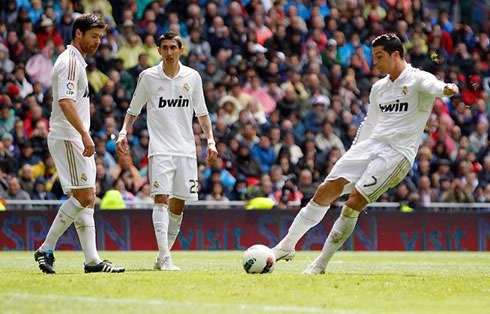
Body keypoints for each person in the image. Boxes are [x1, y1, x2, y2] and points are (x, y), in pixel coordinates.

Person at [272, 34, 459, 274]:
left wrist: (447, 89)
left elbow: (434, 86)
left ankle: (320, 264)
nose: (375, 63)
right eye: (373, 57)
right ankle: (287, 245)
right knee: (325, 190)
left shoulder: (417, 79)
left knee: (352, 204)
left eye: (379, 57)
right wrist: (354, 153)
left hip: (397, 154)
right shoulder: (379, 88)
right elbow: (369, 124)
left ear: (395, 55)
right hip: (370, 145)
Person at [116, 31, 218, 271]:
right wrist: (122, 132)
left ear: (180, 50)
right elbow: (133, 109)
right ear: (158, 51)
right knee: (161, 199)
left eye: (174, 47)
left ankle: (163, 255)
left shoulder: (192, 77)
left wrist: (211, 140)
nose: (170, 52)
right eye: (165, 47)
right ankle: (165, 257)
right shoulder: (148, 77)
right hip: (160, 149)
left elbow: (202, 113)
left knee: (178, 204)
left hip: (186, 149)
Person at [34, 14, 125, 274]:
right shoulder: (70, 62)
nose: (98, 42)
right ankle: (46, 248)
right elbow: (65, 101)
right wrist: (84, 134)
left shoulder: (75, 62)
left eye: (100, 37)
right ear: (78, 34)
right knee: (84, 196)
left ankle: (92, 260)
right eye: (93, 36)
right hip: (68, 136)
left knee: (87, 198)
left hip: (72, 135)